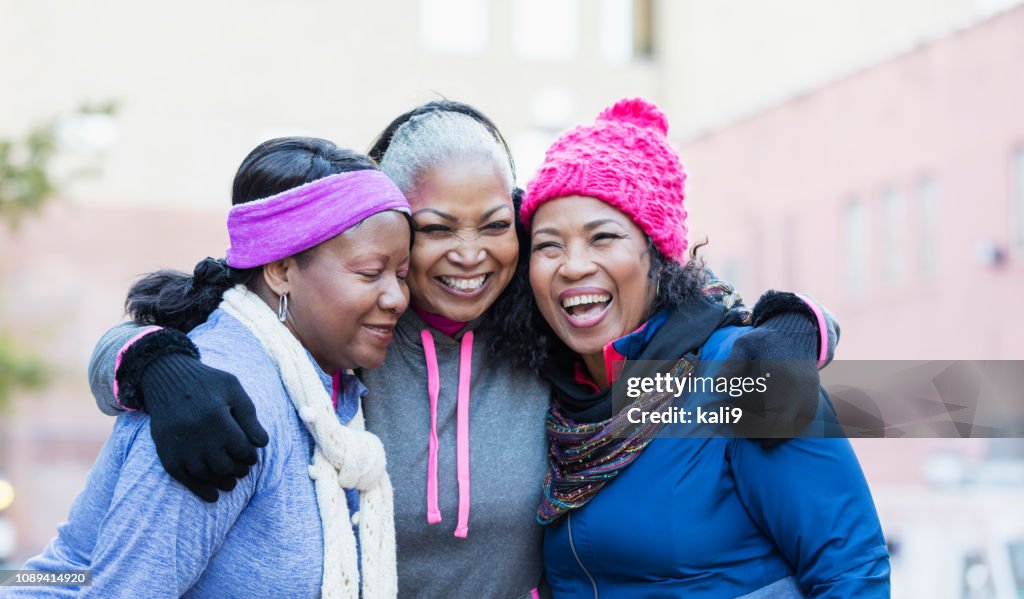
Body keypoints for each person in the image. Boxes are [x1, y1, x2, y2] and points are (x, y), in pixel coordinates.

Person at [83, 101, 842, 598]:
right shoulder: (358, 334)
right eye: (436, 228)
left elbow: (691, 330)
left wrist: (796, 330)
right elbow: (232, 319)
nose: (469, 254)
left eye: (493, 224)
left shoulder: (547, 329)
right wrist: (152, 362)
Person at [512, 97, 891, 597]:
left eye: (602, 238)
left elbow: (851, 571)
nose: (573, 264)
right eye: (548, 244)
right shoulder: (554, 399)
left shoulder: (748, 373)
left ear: (656, 255)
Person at [7, 137, 410, 598]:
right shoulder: (220, 407)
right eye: (369, 272)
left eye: (401, 274)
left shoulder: (331, 385)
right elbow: (103, 583)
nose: (396, 298)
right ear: (280, 270)